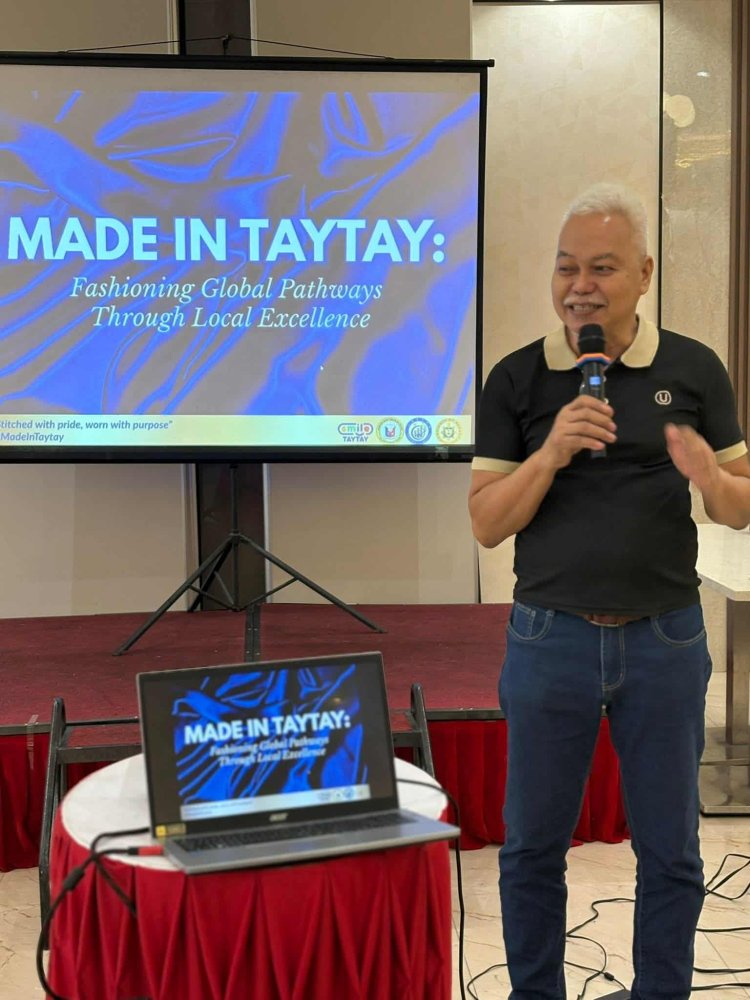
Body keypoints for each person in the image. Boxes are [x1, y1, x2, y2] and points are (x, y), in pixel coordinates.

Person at [468, 182, 750, 1000]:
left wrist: (710, 478)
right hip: (548, 639)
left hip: (665, 639)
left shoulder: (694, 367)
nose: (580, 286)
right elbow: (486, 523)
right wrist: (550, 453)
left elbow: (738, 504)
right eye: (566, 268)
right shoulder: (517, 379)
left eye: (601, 267)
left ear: (644, 274)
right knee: (531, 848)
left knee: (672, 850)